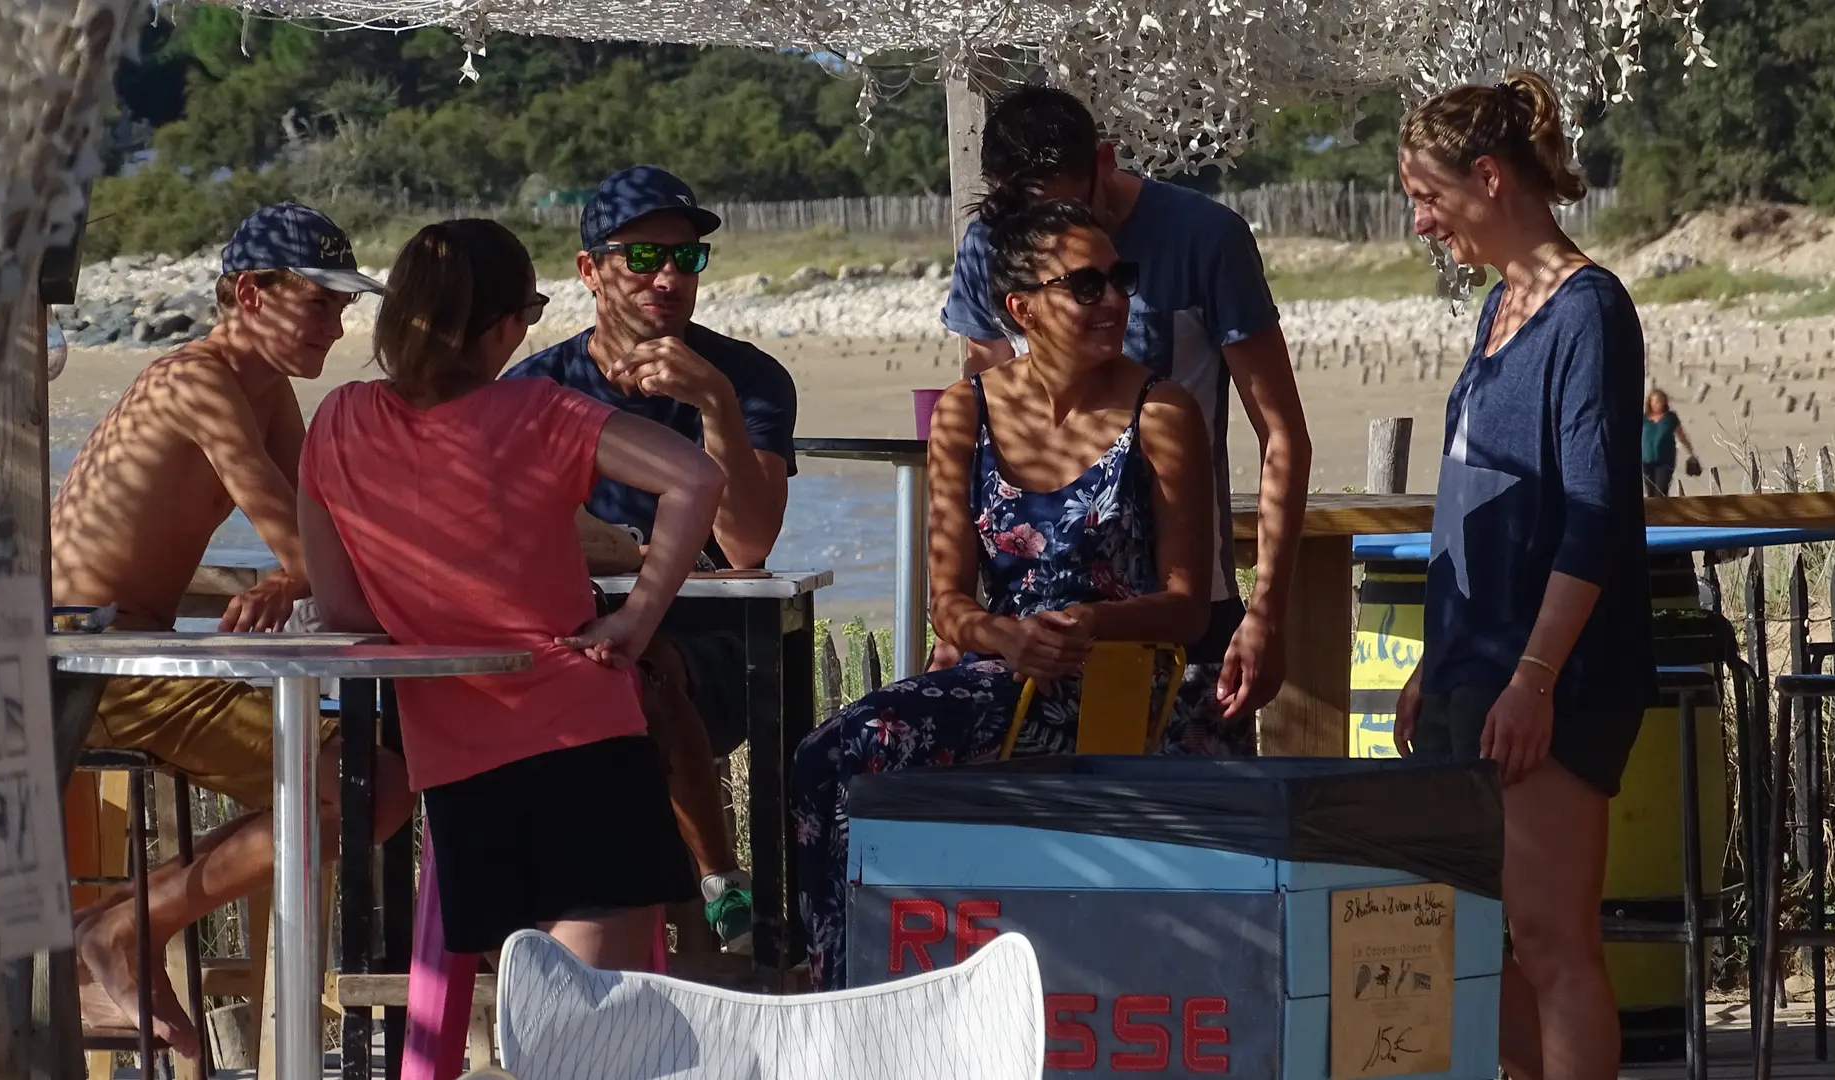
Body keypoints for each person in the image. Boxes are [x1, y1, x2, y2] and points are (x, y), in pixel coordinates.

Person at [793, 195, 1223, 991]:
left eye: (1120, 279)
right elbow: (948, 602)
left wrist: (1091, 622)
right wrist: (1005, 637)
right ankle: (850, 982)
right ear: (1022, 307)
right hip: (1003, 671)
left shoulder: (1161, 409)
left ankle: (845, 987)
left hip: (1116, 675)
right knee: (825, 756)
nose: (1115, 300)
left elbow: (1189, 603)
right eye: (1086, 285)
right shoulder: (966, 411)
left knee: (854, 747)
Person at [299, 218, 728, 967]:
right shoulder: (539, 412)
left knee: (531, 1021)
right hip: (580, 737)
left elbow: (342, 610)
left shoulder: (340, 422)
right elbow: (696, 478)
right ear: (501, 329)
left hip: (457, 764)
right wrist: (634, 617)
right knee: (598, 1027)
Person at [50, 202, 408, 1054]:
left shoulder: (265, 387)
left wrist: (294, 573)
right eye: (319, 301)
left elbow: (323, 530)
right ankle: (123, 930)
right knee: (368, 785)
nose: (339, 322)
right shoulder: (196, 381)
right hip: (86, 657)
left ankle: (128, 926)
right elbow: (310, 544)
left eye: (343, 303)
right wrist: (300, 567)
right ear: (252, 293)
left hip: (131, 650)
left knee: (369, 780)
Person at [1391, 71, 1655, 1080]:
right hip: (1473, 663)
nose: (1421, 220)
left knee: (1548, 941)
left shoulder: (1588, 312)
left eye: (1428, 194)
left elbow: (1594, 516)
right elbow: (1475, 492)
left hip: (1553, 677)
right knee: (1463, 940)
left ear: (1489, 179)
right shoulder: (1502, 304)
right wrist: (1436, 656)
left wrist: (1533, 677)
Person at [940, 85, 1310, 729]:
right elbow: (990, 432)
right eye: (1027, 218)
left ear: (1104, 163)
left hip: (1178, 604)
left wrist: (1266, 612)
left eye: (1063, 207)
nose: (1051, 232)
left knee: (1189, 817)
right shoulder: (989, 247)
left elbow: (1281, 435)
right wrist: (966, 623)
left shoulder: (1206, 238)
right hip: (1029, 628)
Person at [504, 165, 798, 951]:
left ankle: (717, 887)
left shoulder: (748, 378)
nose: (666, 277)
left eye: (685, 259)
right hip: (565, 633)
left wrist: (716, 408)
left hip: (711, 643)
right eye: (640, 258)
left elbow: (749, 545)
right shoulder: (537, 388)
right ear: (591, 271)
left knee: (641, 667)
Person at [1641, 388, 1697, 496]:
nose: (1657, 404)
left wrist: (1691, 453)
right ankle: (1654, 513)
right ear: (1650, 402)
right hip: (1646, 460)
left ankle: (1663, 511)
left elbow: (1682, 436)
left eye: (1660, 401)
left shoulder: (1670, 418)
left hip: (1665, 460)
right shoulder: (1644, 419)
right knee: (1650, 492)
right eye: (1655, 401)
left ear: (1664, 402)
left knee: (1661, 490)